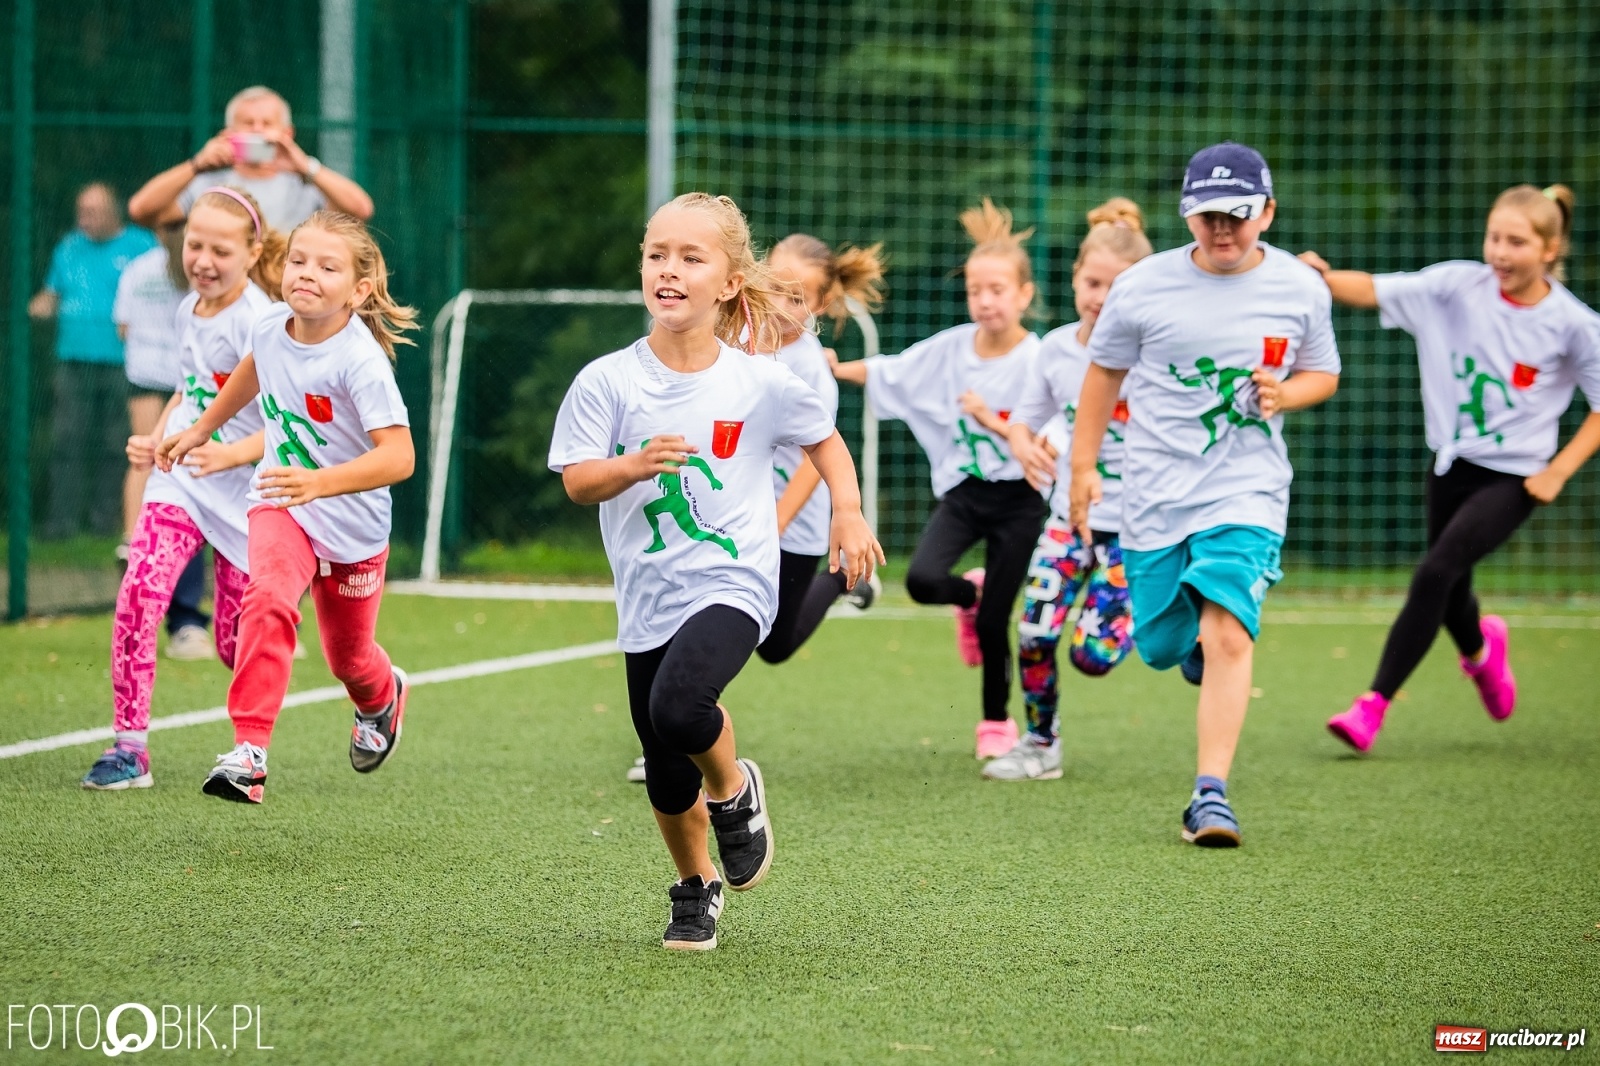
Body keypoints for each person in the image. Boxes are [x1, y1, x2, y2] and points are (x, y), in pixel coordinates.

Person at [549, 193, 882, 950]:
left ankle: (735, 790)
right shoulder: (607, 381)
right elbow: (577, 481)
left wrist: (848, 511)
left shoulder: (757, 381)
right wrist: (631, 467)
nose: (669, 269)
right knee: (666, 773)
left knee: (681, 705)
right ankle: (696, 884)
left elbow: (824, 439)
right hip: (647, 595)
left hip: (734, 579)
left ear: (729, 283)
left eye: (691, 258)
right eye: (657, 254)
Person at [1070, 142, 1341, 846]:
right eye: (1208, 216)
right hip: (1154, 488)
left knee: (1227, 627)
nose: (1223, 230)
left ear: (1268, 212)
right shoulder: (1143, 286)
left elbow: (1323, 374)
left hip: (1246, 486)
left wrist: (1289, 393)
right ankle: (1187, 645)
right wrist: (1082, 466)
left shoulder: (1299, 287)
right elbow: (1102, 376)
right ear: (1188, 215)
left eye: (1238, 215)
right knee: (1161, 645)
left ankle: (1209, 794)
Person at [1304, 185, 1600, 752]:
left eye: (1516, 242)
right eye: (1494, 238)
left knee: (1436, 571)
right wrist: (1316, 280)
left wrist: (1558, 472)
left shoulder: (1573, 325)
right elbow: (1371, 289)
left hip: (1516, 478)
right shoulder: (1454, 287)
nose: (1501, 253)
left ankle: (1372, 706)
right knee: (1452, 586)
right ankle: (1484, 652)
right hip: (1450, 464)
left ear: (1550, 248)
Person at [157, 210, 416, 804]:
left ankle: (381, 699)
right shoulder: (271, 326)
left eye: (328, 267)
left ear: (358, 289)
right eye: (299, 260)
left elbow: (399, 458)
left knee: (349, 660)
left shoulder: (360, 361)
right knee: (268, 597)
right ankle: (248, 753)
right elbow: (251, 372)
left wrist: (321, 483)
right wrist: (202, 430)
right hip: (280, 503)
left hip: (352, 527)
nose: (307, 274)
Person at [832, 198, 1046, 760]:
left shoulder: (1039, 361)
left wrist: (991, 420)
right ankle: (964, 594)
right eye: (976, 290)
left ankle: (997, 722)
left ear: (1024, 294)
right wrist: (830, 370)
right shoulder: (952, 348)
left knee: (1001, 617)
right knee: (924, 580)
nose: (985, 300)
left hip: (1021, 502)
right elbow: (892, 371)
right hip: (965, 496)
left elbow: (1046, 442)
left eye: (997, 289)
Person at [80, 188, 279, 791]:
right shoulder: (189, 307)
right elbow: (188, 390)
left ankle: (263, 738)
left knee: (231, 644)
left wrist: (229, 453)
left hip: (246, 493)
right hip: (185, 483)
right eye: (195, 244)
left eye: (221, 249)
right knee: (141, 589)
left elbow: (286, 424)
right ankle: (129, 749)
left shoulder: (264, 322)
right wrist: (161, 439)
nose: (204, 260)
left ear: (252, 253)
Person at [984, 198, 1152, 782]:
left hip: (1139, 528)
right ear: (1076, 279)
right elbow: (1025, 422)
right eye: (1092, 282)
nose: (1102, 297)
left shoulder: (1156, 352)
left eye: (1119, 287)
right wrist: (1023, 443)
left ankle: (1169, 606)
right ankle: (1040, 744)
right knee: (1032, 633)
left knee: (1093, 656)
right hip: (1066, 519)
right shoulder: (1056, 349)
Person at [29, 183, 157, 538]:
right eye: (81, 211)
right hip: (73, 359)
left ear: (113, 212)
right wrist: (38, 307)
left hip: (123, 361)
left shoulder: (141, 246)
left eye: (92, 212)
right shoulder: (69, 247)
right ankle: (61, 523)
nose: (83, 219)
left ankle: (107, 521)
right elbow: (51, 294)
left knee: (117, 441)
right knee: (68, 438)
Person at [112, 221, 215, 660]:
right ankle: (137, 544)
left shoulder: (210, 286)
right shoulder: (157, 272)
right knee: (155, 459)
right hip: (165, 382)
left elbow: (122, 326)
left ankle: (136, 542)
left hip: (180, 386)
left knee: (164, 463)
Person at [129, 86, 373, 230]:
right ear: (228, 134)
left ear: (287, 133)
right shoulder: (208, 184)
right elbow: (141, 210)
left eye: (267, 123)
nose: (257, 130)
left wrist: (306, 167)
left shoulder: (306, 185)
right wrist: (196, 165)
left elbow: (361, 209)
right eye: (248, 123)